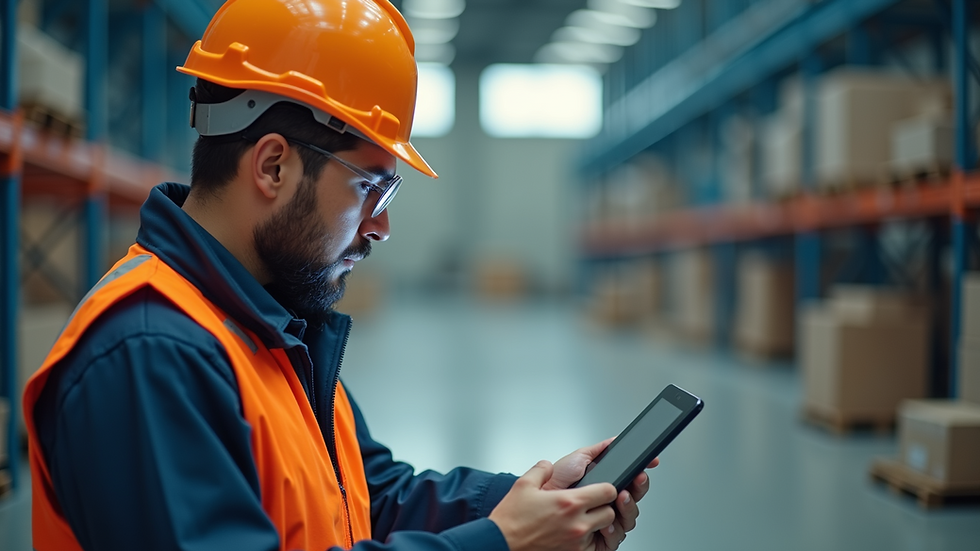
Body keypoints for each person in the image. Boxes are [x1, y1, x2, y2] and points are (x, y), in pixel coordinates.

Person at [22, 1, 659, 550]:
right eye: (369, 188)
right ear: (272, 167)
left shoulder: (267, 326)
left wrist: (533, 500)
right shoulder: (149, 354)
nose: (379, 227)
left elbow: (367, 497)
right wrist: (500, 543)